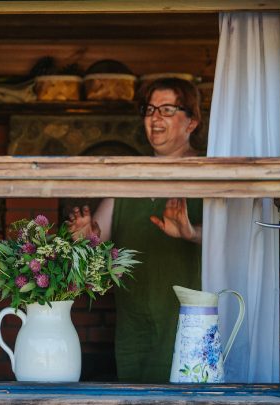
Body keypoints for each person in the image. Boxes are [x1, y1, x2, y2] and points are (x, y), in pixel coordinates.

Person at [67, 78, 203, 383]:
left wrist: (191, 232)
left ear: (191, 121)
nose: (155, 118)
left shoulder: (208, 173)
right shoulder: (129, 176)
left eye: (167, 109)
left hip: (189, 322)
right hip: (134, 321)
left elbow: (232, 239)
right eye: (150, 109)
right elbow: (96, 241)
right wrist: (84, 234)